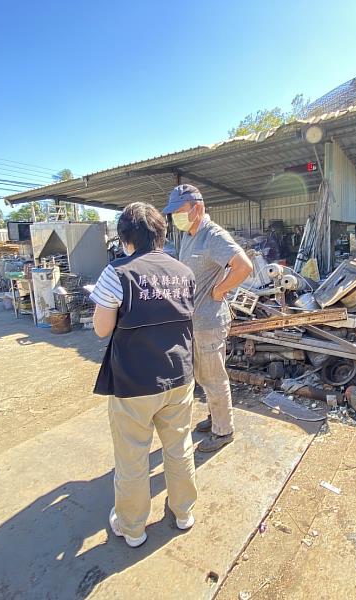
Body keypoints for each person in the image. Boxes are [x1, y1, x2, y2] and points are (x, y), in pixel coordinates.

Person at [90, 202, 198, 548]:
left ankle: (133, 528)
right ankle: (183, 512)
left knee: (133, 457)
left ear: (125, 238)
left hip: (135, 382)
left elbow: (101, 329)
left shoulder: (117, 272)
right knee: (179, 447)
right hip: (180, 375)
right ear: (162, 235)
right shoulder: (184, 272)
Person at [163, 184, 253, 453]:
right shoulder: (190, 234)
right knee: (204, 376)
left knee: (214, 378)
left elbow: (244, 267)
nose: (174, 218)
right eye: (172, 213)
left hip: (210, 321)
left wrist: (219, 289)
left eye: (179, 212)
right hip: (195, 322)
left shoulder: (213, 235)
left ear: (197, 208)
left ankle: (223, 431)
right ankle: (215, 417)